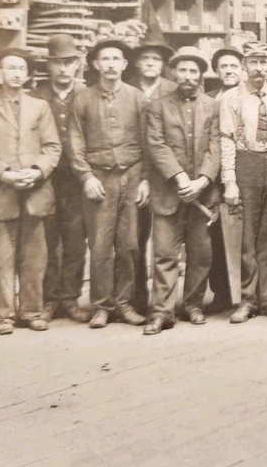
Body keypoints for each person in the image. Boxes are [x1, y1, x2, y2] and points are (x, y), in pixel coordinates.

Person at [0, 48, 61, 335]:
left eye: (22, 68)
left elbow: (52, 147)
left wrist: (37, 171)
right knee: (1, 257)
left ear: (28, 73)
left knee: (35, 257)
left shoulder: (39, 106)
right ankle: (4, 316)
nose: (17, 73)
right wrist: (6, 174)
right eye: (11, 67)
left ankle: (32, 312)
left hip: (35, 192)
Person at [69, 37, 150, 328]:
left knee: (129, 245)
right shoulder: (83, 98)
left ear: (125, 65)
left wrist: (145, 181)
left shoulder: (138, 98)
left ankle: (124, 303)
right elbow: (75, 142)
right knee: (101, 246)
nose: (111, 64)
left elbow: (149, 142)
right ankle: (101, 306)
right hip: (99, 180)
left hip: (131, 176)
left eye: (116, 59)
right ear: (95, 64)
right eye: (106, 59)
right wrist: (86, 176)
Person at [143, 47, 221, 333]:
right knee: (164, 254)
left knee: (201, 255)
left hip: (202, 194)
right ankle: (162, 312)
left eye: (193, 71)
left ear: (201, 75)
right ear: (173, 72)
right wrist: (179, 178)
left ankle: (193, 305)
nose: (188, 76)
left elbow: (216, 146)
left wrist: (203, 180)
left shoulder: (212, 106)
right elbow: (156, 145)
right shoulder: (157, 106)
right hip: (169, 194)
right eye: (183, 70)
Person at [221, 42, 267, 323]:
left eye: (264, 62)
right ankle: (248, 300)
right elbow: (226, 139)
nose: (259, 68)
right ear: (243, 66)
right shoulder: (231, 98)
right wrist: (229, 181)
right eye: (253, 62)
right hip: (245, 163)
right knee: (247, 236)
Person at [30, 34, 91, 322]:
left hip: (78, 180)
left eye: (69, 63)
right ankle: (49, 299)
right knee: (47, 241)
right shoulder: (36, 97)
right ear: (48, 65)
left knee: (76, 241)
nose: (64, 69)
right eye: (58, 63)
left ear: (78, 64)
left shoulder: (88, 94)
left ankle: (70, 298)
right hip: (45, 179)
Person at [125, 29, 177, 316]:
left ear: (163, 64)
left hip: (166, 177)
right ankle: (137, 298)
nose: (149, 64)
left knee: (165, 243)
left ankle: (165, 300)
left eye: (155, 59)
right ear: (136, 63)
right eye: (144, 58)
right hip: (136, 175)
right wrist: (141, 176)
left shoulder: (172, 89)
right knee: (134, 238)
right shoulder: (128, 88)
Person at [205, 45, 244, 313]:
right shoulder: (209, 100)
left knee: (247, 237)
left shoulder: (249, 97)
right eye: (224, 67)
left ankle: (248, 292)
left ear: (242, 69)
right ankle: (221, 293)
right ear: (216, 71)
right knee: (215, 237)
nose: (229, 70)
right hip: (215, 177)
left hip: (245, 173)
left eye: (234, 66)